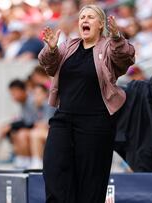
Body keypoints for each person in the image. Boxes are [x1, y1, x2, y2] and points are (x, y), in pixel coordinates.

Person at [38, 4, 135, 203]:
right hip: (64, 118)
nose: (85, 20)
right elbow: (48, 65)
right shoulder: (68, 46)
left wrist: (117, 37)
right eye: (82, 17)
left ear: (100, 24)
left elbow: (125, 57)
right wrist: (52, 48)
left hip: (96, 122)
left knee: (91, 181)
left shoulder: (109, 46)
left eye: (90, 17)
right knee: (53, 168)